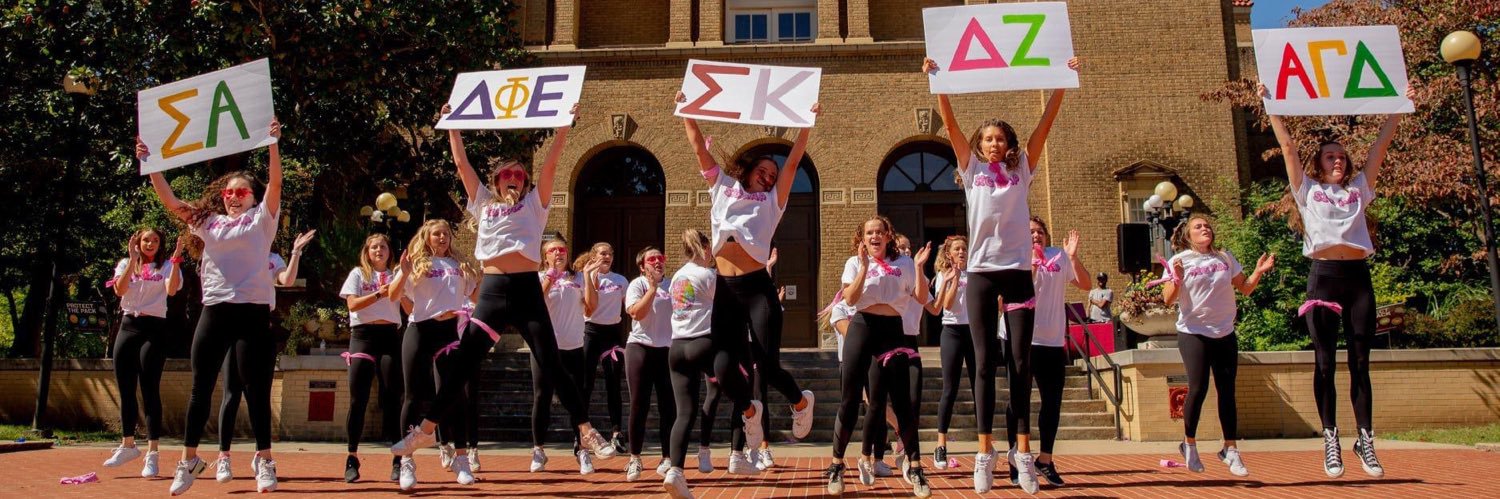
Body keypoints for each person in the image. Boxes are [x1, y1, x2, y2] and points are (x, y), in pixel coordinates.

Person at [391, 103, 616, 479]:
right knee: (463, 361)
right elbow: (462, 166)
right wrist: (453, 127)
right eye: (505, 175)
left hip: (527, 288)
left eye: (518, 175)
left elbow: (550, 166)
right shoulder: (483, 205)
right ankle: (426, 431)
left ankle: (586, 430)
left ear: (524, 183)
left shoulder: (534, 204)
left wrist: (562, 128)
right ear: (496, 183)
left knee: (552, 361)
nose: (512, 178)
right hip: (493, 289)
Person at [924, 55, 1080, 494]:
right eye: (987, 139)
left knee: (1019, 363)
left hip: (1016, 274)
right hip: (981, 274)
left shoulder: (1021, 171)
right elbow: (950, 123)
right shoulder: (971, 171)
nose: (993, 144)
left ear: (1008, 144)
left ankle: (1024, 455)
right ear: (979, 145)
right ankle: (984, 453)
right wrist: (938, 81)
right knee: (983, 366)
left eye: (1000, 139)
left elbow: (1043, 128)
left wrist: (1062, 84)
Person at [1261, 82, 1407, 479]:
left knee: (1361, 363)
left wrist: (1398, 107)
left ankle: (1365, 439)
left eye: (1342, 156)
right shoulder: (1307, 191)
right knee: (1325, 363)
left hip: (1358, 279)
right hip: (1323, 279)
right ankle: (1330, 437)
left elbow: (1379, 149)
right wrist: (1269, 104)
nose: (1338, 161)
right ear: (1319, 164)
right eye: (1330, 157)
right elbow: (1288, 149)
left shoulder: (1360, 190)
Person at [141, 119, 286, 495]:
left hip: (253, 312)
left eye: (241, 191)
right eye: (228, 192)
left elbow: (275, 183)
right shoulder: (209, 222)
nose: (233, 196)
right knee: (200, 388)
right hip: (216, 310)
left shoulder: (262, 219)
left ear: (253, 197)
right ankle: (188, 460)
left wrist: (272, 143)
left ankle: (265, 461)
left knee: (256, 391)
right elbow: (172, 202)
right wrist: (151, 163)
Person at [677, 93, 819, 462]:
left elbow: (793, 165)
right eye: (764, 171)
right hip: (726, 289)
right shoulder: (722, 187)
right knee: (723, 366)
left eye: (772, 176)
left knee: (767, 365)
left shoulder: (774, 201)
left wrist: (806, 126)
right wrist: (688, 111)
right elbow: (697, 149)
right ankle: (750, 414)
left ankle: (801, 402)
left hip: (757, 289)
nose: (769, 177)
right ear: (750, 167)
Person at [824, 217, 932, 498]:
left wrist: (919, 268)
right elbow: (849, 299)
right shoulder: (853, 263)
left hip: (893, 331)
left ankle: (917, 468)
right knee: (849, 399)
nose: (875, 236)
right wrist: (863, 267)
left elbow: (921, 297)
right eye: (869, 233)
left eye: (879, 232)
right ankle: (837, 466)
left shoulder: (904, 264)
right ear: (863, 238)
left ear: (887, 236)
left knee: (902, 401)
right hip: (863, 327)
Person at [1161, 215, 1274, 477]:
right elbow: (1167, 299)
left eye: (1208, 226)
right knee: (1198, 387)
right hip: (1193, 332)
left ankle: (1230, 449)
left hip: (1224, 332)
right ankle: (1189, 444)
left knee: (1227, 391)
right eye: (1198, 227)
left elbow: (1244, 288)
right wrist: (1176, 279)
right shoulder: (1180, 260)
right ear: (1188, 235)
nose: (1205, 229)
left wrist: (1258, 272)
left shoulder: (1225, 257)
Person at [663, 229, 766, 499]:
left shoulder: (677, 276)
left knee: (684, 414)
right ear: (706, 248)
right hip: (705, 343)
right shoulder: (710, 277)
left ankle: (675, 471)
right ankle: (749, 416)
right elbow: (738, 305)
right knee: (741, 384)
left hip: (677, 348)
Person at [213, 229, 315, 485]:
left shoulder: (273, 259)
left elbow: (287, 280)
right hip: (232, 327)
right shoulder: (233, 254)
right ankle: (224, 456)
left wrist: (296, 252)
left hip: (260, 330)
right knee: (231, 393)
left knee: (259, 396)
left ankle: (263, 458)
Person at [386, 220, 480, 489]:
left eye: (446, 234)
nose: (442, 237)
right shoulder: (415, 262)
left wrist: (488, 279)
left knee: (455, 395)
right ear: (426, 237)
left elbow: (477, 297)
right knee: (413, 396)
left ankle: (461, 459)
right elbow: (394, 296)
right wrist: (403, 273)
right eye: (436, 233)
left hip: (449, 333)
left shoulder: (459, 266)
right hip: (420, 330)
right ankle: (407, 462)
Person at [1001, 218, 1091, 487]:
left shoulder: (1059, 256)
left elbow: (1085, 284)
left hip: (1051, 340)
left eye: (1040, 232)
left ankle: (1045, 460)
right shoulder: (1013, 258)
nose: (1036, 236)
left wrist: (1073, 257)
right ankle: (1016, 459)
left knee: (1052, 401)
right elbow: (1010, 295)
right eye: (1030, 232)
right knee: (1019, 400)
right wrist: (1031, 263)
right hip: (1019, 338)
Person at [102, 228, 184, 479]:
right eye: (146, 239)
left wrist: (177, 258)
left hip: (154, 329)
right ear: (138, 242)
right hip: (129, 326)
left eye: (156, 240)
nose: (150, 243)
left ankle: (152, 454)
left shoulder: (167, 267)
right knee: (126, 389)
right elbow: (119, 290)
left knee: (149, 389)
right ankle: (128, 445)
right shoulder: (127, 263)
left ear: (161, 245)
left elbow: (171, 291)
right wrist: (132, 260)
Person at [338, 233, 404, 483]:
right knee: (358, 399)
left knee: (392, 398)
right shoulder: (358, 274)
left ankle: (399, 460)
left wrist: (405, 276)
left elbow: (406, 302)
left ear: (389, 252)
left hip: (389, 336)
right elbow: (353, 305)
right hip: (363, 336)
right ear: (367, 252)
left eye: (383, 246)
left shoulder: (397, 274)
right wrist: (379, 294)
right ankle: (352, 457)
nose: (379, 250)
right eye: (374, 247)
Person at [537, 237, 601, 474]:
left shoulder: (575, 279)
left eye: (562, 250)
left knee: (577, 400)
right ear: (546, 256)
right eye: (553, 250)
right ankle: (539, 450)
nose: (559, 253)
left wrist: (586, 276)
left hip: (574, 346)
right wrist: (550, 278)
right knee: (542, 396)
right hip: (545, 346)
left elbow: (590, 308)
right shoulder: (538, 278)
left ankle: (582, 450)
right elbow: (535, 305)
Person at [623, 247, 676, 481]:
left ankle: (668, 457)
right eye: (651, 259)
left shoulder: (674, 285)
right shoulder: (637, 285)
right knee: (639, 404)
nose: (657, 261)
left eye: (660, 258)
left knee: (669, 406)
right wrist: (653, 288)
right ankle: (635, 458)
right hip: (640, 348)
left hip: (667, 350)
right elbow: (636, 313)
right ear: (642, 265)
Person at [577, 242, 631, 456]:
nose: (607, 256)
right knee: (585, 384)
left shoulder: (620, 280)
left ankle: (617, 433)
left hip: (612, 334)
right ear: (593, 256)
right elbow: (587, 306)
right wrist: (590, 276)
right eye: (602, 253)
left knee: (613, 383)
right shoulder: (582, 277)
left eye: (610, 253)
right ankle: (582, 434)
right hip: (590, 332)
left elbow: (630, 307)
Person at [927, 235, 971, 470]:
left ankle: (987, 444)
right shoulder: (944, 275)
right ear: (949, 253)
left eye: (964, 248)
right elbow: (948, 305)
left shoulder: (974, 273)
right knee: (949, 388)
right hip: (952, 332)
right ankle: (941, 444)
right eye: (957, 249)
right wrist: (954, 279)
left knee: (980, 385)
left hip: (974, 332)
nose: (962, 252)